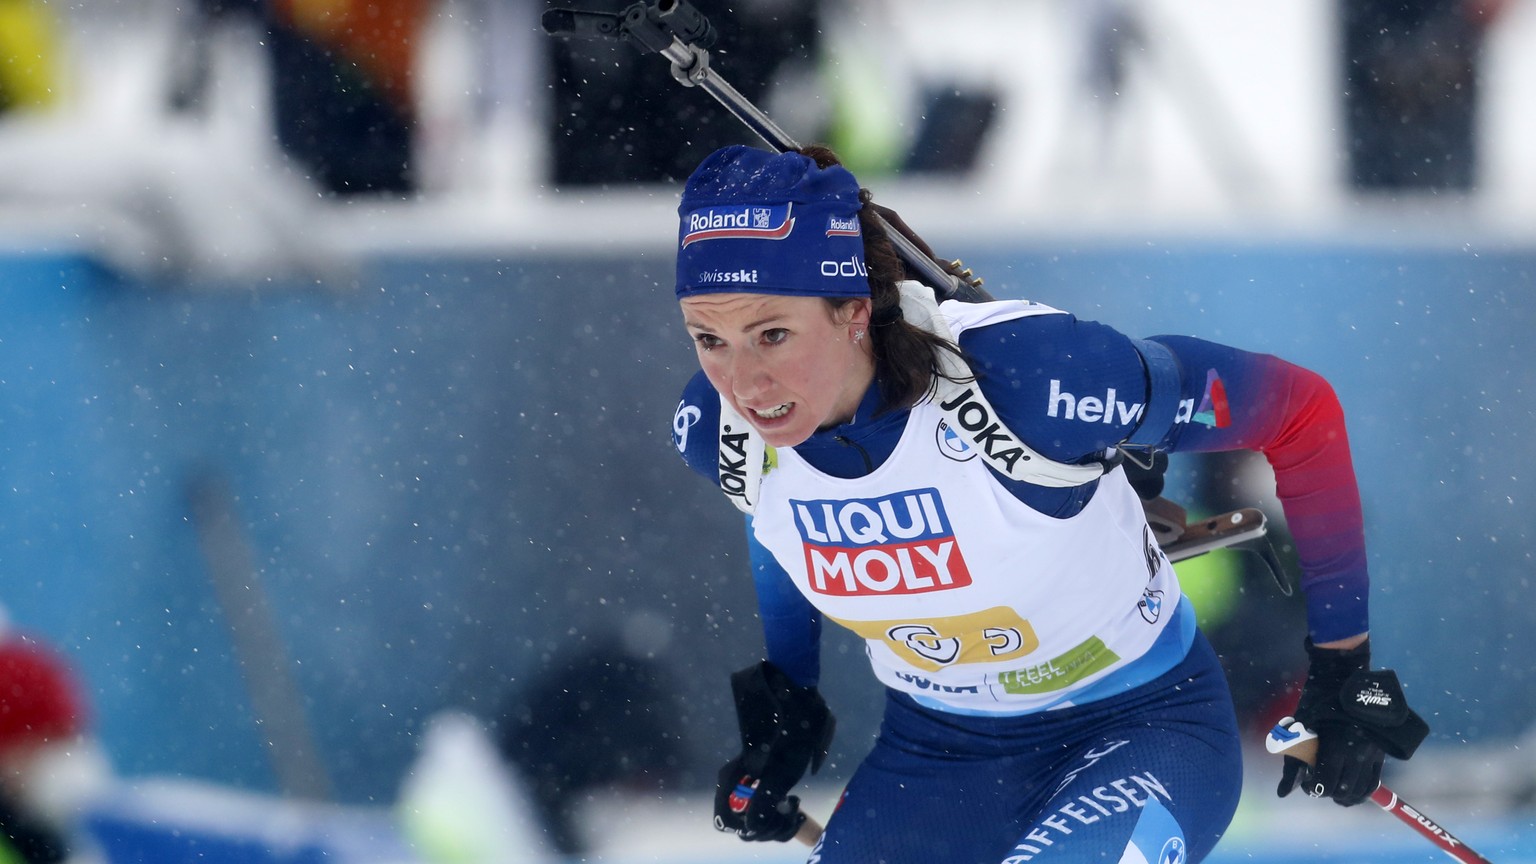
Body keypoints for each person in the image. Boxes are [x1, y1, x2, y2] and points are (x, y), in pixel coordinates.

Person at [665, 143, 1430, 863]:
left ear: (853, 309)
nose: (744, 383)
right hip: (936, 760)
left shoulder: (1028, 380)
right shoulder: (726, 435)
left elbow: (1301, 411)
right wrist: (788, 701)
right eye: (708, 338)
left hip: (1140, 730)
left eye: (772, 334)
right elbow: (777, 517)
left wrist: (1341, 668)